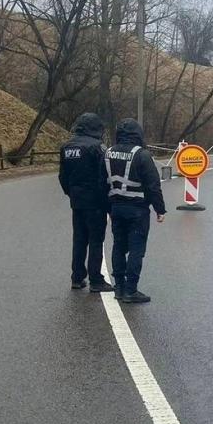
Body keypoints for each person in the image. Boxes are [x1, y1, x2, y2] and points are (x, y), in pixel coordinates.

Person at [105, 118, 165, 304]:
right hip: (137, 209)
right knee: (136, 250)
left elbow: (101, 182)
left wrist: (107, 207)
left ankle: (119, 288)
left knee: (118, 247)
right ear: (137, 134)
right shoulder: (142, 155)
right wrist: (159, 209)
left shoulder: (108, 153)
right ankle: (131, 290)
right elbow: (153, 185)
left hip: (116, 208)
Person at [58, 112, 113, 292]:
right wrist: (106, 200)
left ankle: (77, 277)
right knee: (96, 240)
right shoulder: (97, 147)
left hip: (77, 201)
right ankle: (96, 280)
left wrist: (71, 193)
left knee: (79, 239)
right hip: (95, 202)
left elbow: (62, 176)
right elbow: (104, 176)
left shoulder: (66, 147)